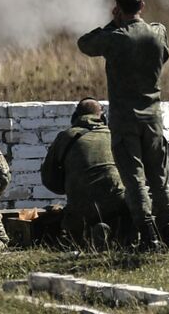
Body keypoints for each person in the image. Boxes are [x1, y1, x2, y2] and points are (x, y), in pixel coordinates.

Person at [76, 0, 169, 249]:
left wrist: (113, 23)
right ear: (142, 5)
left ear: (117, 7)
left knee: (134, 180)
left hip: (125, 120)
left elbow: (84, 44)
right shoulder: (158, 33)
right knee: (159, 179)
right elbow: (164, 53)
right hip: (153, 118)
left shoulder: (115, 37)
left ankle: (149, 237)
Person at [40, 99, 130, 250]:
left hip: (80, 207)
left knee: (74, 238)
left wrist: (69, 187)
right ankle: (110, 235)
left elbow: (49, 179)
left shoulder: (65, 137)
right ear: (103, 118)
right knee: (122, 219)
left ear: (75, 117)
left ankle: (90, 236)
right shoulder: (114, 136)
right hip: (116, 203)